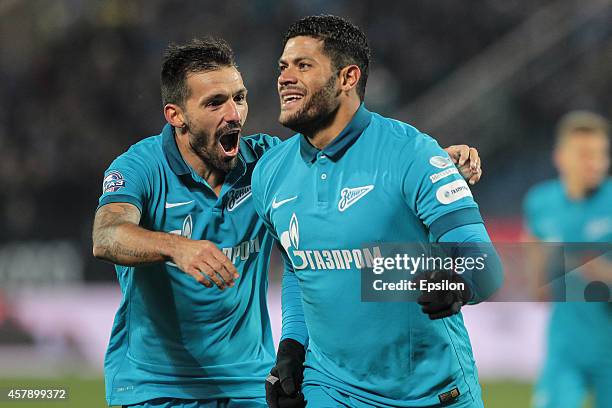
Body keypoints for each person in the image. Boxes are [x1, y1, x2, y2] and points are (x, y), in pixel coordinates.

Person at [92, 38, 483, 408]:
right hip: (154, 385)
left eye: (239, 98)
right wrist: (176, 246)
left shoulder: (268, 165)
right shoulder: (140, 168)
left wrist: (429, 163)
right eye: (215, 103)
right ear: (176, 115)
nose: (234, 114)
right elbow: (107, 235)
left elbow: (351, 159)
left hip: (248, 381)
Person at [252, 15, 503, 408]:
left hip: (430, 392)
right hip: (331, 388)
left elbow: (486, 267)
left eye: (304, 65)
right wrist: (292, 346)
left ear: (348, 78)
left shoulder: (413, 154)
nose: (285, 77)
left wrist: (454, 283)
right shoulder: (270, 173)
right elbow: (300, 270)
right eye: (283, 67)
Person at [523, 111, 612, 408]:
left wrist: (594, 269)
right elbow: (539, 286)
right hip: (565, 348)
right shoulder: (540, 202)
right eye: (586, 154)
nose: (596, 163)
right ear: (561, 157)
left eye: (601, 154)